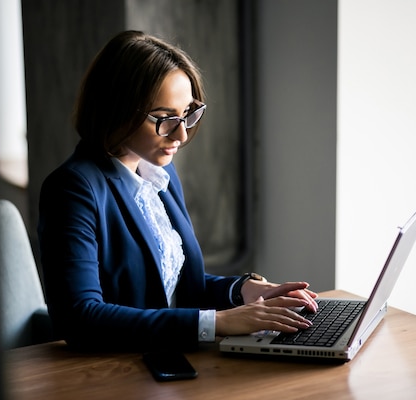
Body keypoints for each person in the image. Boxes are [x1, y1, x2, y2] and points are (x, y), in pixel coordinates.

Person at [37, 30, 318, 352]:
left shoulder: (159, 172)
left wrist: (242, 292)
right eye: (164, 118)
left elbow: (169, 283)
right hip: (117, 370)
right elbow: (80, 318)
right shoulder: (73, 188)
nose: (181, 135)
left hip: (174, 356)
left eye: (187, 114)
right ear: (116, 109)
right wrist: (219, 322)